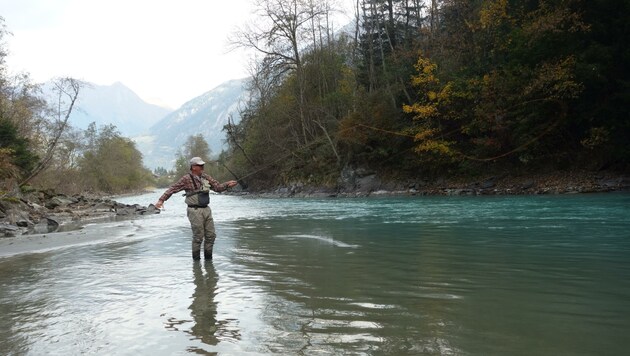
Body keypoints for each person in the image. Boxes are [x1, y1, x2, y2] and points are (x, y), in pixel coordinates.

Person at [155, 157, 238, 260]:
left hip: (206, 209)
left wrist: (227, 185)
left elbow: (218, 188)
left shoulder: (206, 177)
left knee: (211, 236)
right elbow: (172, 189)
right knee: (198, 237)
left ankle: (208, 260)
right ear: (193, 167)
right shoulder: (186, 179)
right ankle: (196, 263)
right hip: (194, 211)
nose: (202, 167)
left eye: (202, 165)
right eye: (200, 165)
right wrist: (161, 200)